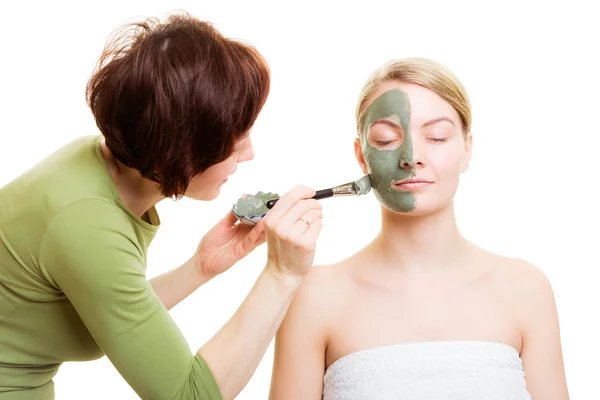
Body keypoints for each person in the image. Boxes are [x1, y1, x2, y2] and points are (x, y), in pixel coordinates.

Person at [0, 12, 323, 400]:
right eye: (235, 139)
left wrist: (200, 268)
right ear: (183, 148)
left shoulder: (89, 165)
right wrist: (282, 275)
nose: (249, 153)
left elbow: (101, 319)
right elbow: (190, 396)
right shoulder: (87, 224)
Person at [269, 58, 569, 400]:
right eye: (385, 140)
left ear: (467, 149)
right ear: (361, 156)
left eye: (437, 137)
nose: (412, 157)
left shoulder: (525, 289)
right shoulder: (315, 295)